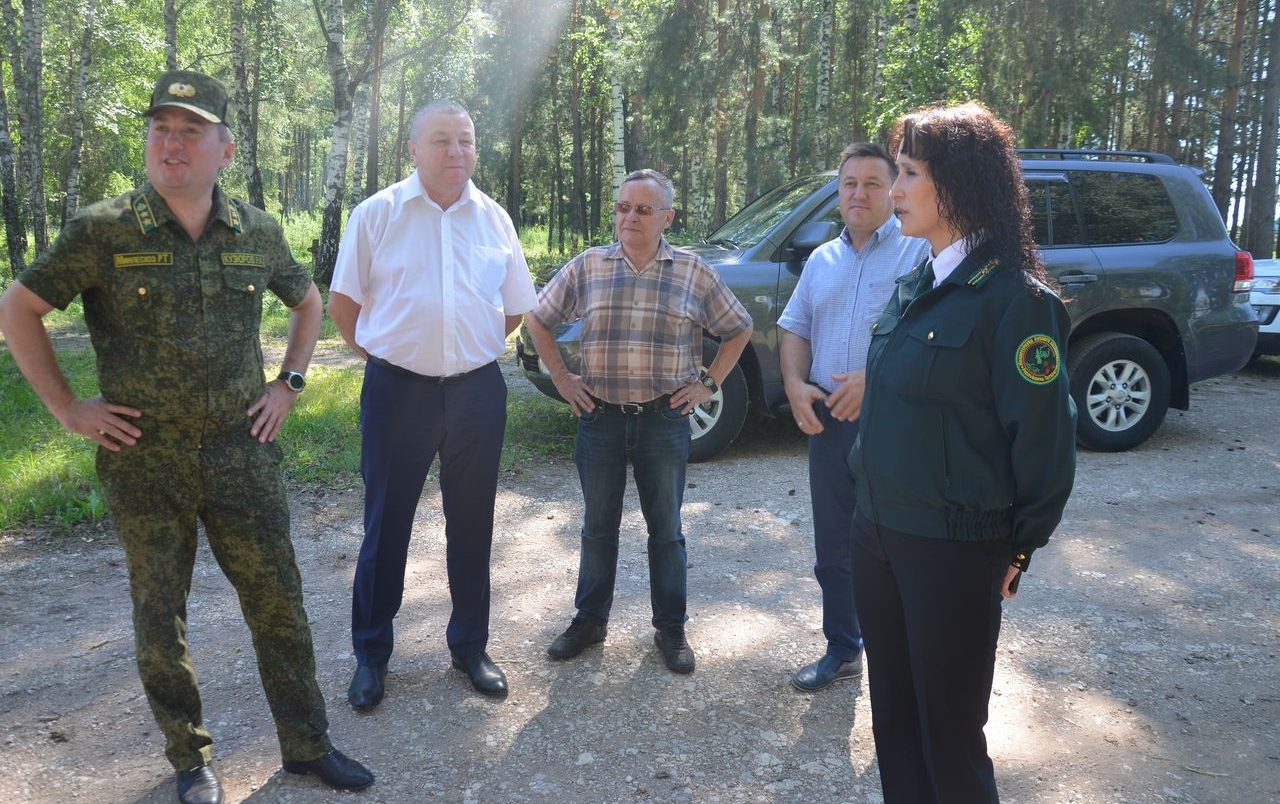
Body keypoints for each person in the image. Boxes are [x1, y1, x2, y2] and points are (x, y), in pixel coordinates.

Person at [0, 70, 372, 804]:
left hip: (243, 453)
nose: (172, 144)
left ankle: (306, 744)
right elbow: (19, 310)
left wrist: (288, 386)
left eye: (190, 131)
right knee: (159, 615)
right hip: (145, 459)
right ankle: (189, 759)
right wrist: (70, 409)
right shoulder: (101, 230)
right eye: (160, 130)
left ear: (224, 150)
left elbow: (308, 304)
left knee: (279, 603)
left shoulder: (257, 231)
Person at [846, 102, 1077, 803]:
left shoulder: (1014, 301)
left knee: (949, 733)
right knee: (895, 722)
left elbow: (1044, 442)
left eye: (910, 174)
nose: (894, 191)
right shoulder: (920, 282)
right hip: (878, 535)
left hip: (952, 548)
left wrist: (1017, 546)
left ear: (961, 186)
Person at [329, 100, 538, 708]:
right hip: (398, 392)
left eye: (466, 141)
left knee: (472, 526)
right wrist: (396, 359)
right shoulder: (378, 215)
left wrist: (464, 351)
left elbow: (516, 307)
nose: (455, 153)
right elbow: (344, 306)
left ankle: (470, 648)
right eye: (441, 140)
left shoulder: (494, 219)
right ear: (412, 149)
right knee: (385, 527)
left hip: (476, 392)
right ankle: (371, 655)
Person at [525, 168, 753, 674]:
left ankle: (671, 629)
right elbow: (537, 319)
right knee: (596, 527)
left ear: (667, 217)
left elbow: (738, 329)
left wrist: (709, 384)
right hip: (599, 419)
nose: (629, 217)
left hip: (663, 422)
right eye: (623, 207)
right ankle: (589, 621)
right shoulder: (589, 266)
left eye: (643, 209)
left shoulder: (693, 272)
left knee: (666, 531)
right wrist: (563, 380)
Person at [777, 142, 928, 692]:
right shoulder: (822, 260)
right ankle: (843, 648)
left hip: (896, 425)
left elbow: (930, 340)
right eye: (848, 184)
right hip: (829, 427)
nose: (858, 193)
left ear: (893, 190)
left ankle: (907, 661)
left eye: (871, 182)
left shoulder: (919, 253)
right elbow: (795, 327)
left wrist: (877, 379)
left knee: (900, 544)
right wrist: (795, 384)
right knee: (834, 547)